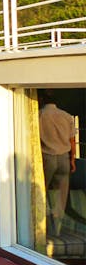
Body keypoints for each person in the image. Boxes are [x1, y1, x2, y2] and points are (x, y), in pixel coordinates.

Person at [39, 90, 77, 237]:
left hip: (47, 157)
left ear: (41, 99)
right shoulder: (66, 116)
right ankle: (57, 229)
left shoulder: (39, 115)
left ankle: (42, 228)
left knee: (42, 192)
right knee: (61, 197)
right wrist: (72, 160)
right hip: (63, 158)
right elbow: (72, 140)